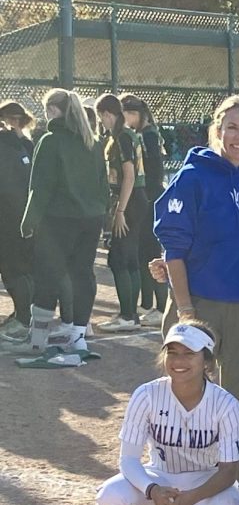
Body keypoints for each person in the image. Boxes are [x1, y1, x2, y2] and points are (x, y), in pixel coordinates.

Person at [154, 94, 239, 492]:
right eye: (232, 127)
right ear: (216, 130)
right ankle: (180, 493)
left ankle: (233, 494)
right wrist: (185, 310)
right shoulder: (192, 176)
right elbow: (173, 247)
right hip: (198, 305)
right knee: (184, 403)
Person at [95, 322, 239, 505]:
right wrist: (152, 489)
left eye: (189, 353)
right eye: (172, 352)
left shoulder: (225, 403)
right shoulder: (147, 394)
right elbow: (128, 459)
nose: (178, 360)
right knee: (109, 497)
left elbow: (228, 471)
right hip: (159, 477)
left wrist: (190, 498)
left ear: (206, 360)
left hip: (206, 481)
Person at [16, 88, 108, 362]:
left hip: (58, 220)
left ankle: (37, 342)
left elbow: (40, 187)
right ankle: (78, 336)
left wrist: (27, 222)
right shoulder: (92, 143)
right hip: (91, 219)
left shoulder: (50, 141)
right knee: (83, 275)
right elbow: (103, 187)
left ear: (53, 110)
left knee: (48, 275)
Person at [95, 93, 146, 332]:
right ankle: (130, 314)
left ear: (107, 114)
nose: (101, 122)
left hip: (130, 200)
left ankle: (128, 315)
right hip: (134, 200)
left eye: (101, 117)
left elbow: (129, 175)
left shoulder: (122, 138)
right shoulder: (126, 136)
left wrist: (120, 210)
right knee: (129, 259)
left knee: (120, 259)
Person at [120, 95, 169, 327]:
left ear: (138, 114)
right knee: (142, 252)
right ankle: (148, 305)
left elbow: (155, 170)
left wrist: (148, 197)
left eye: (128, 113)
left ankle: (160, 307)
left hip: (150, 197)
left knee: (150, 250)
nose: (125, 118)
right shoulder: (138, 134)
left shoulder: (148, 134)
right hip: (146, 197)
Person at [0, 100, 36, 340]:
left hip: (10, 216)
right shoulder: (24, 145)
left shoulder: (10, 146)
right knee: (21, 267)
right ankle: (25, 314)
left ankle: (24, 319)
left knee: (13, 268)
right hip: (24, 214)